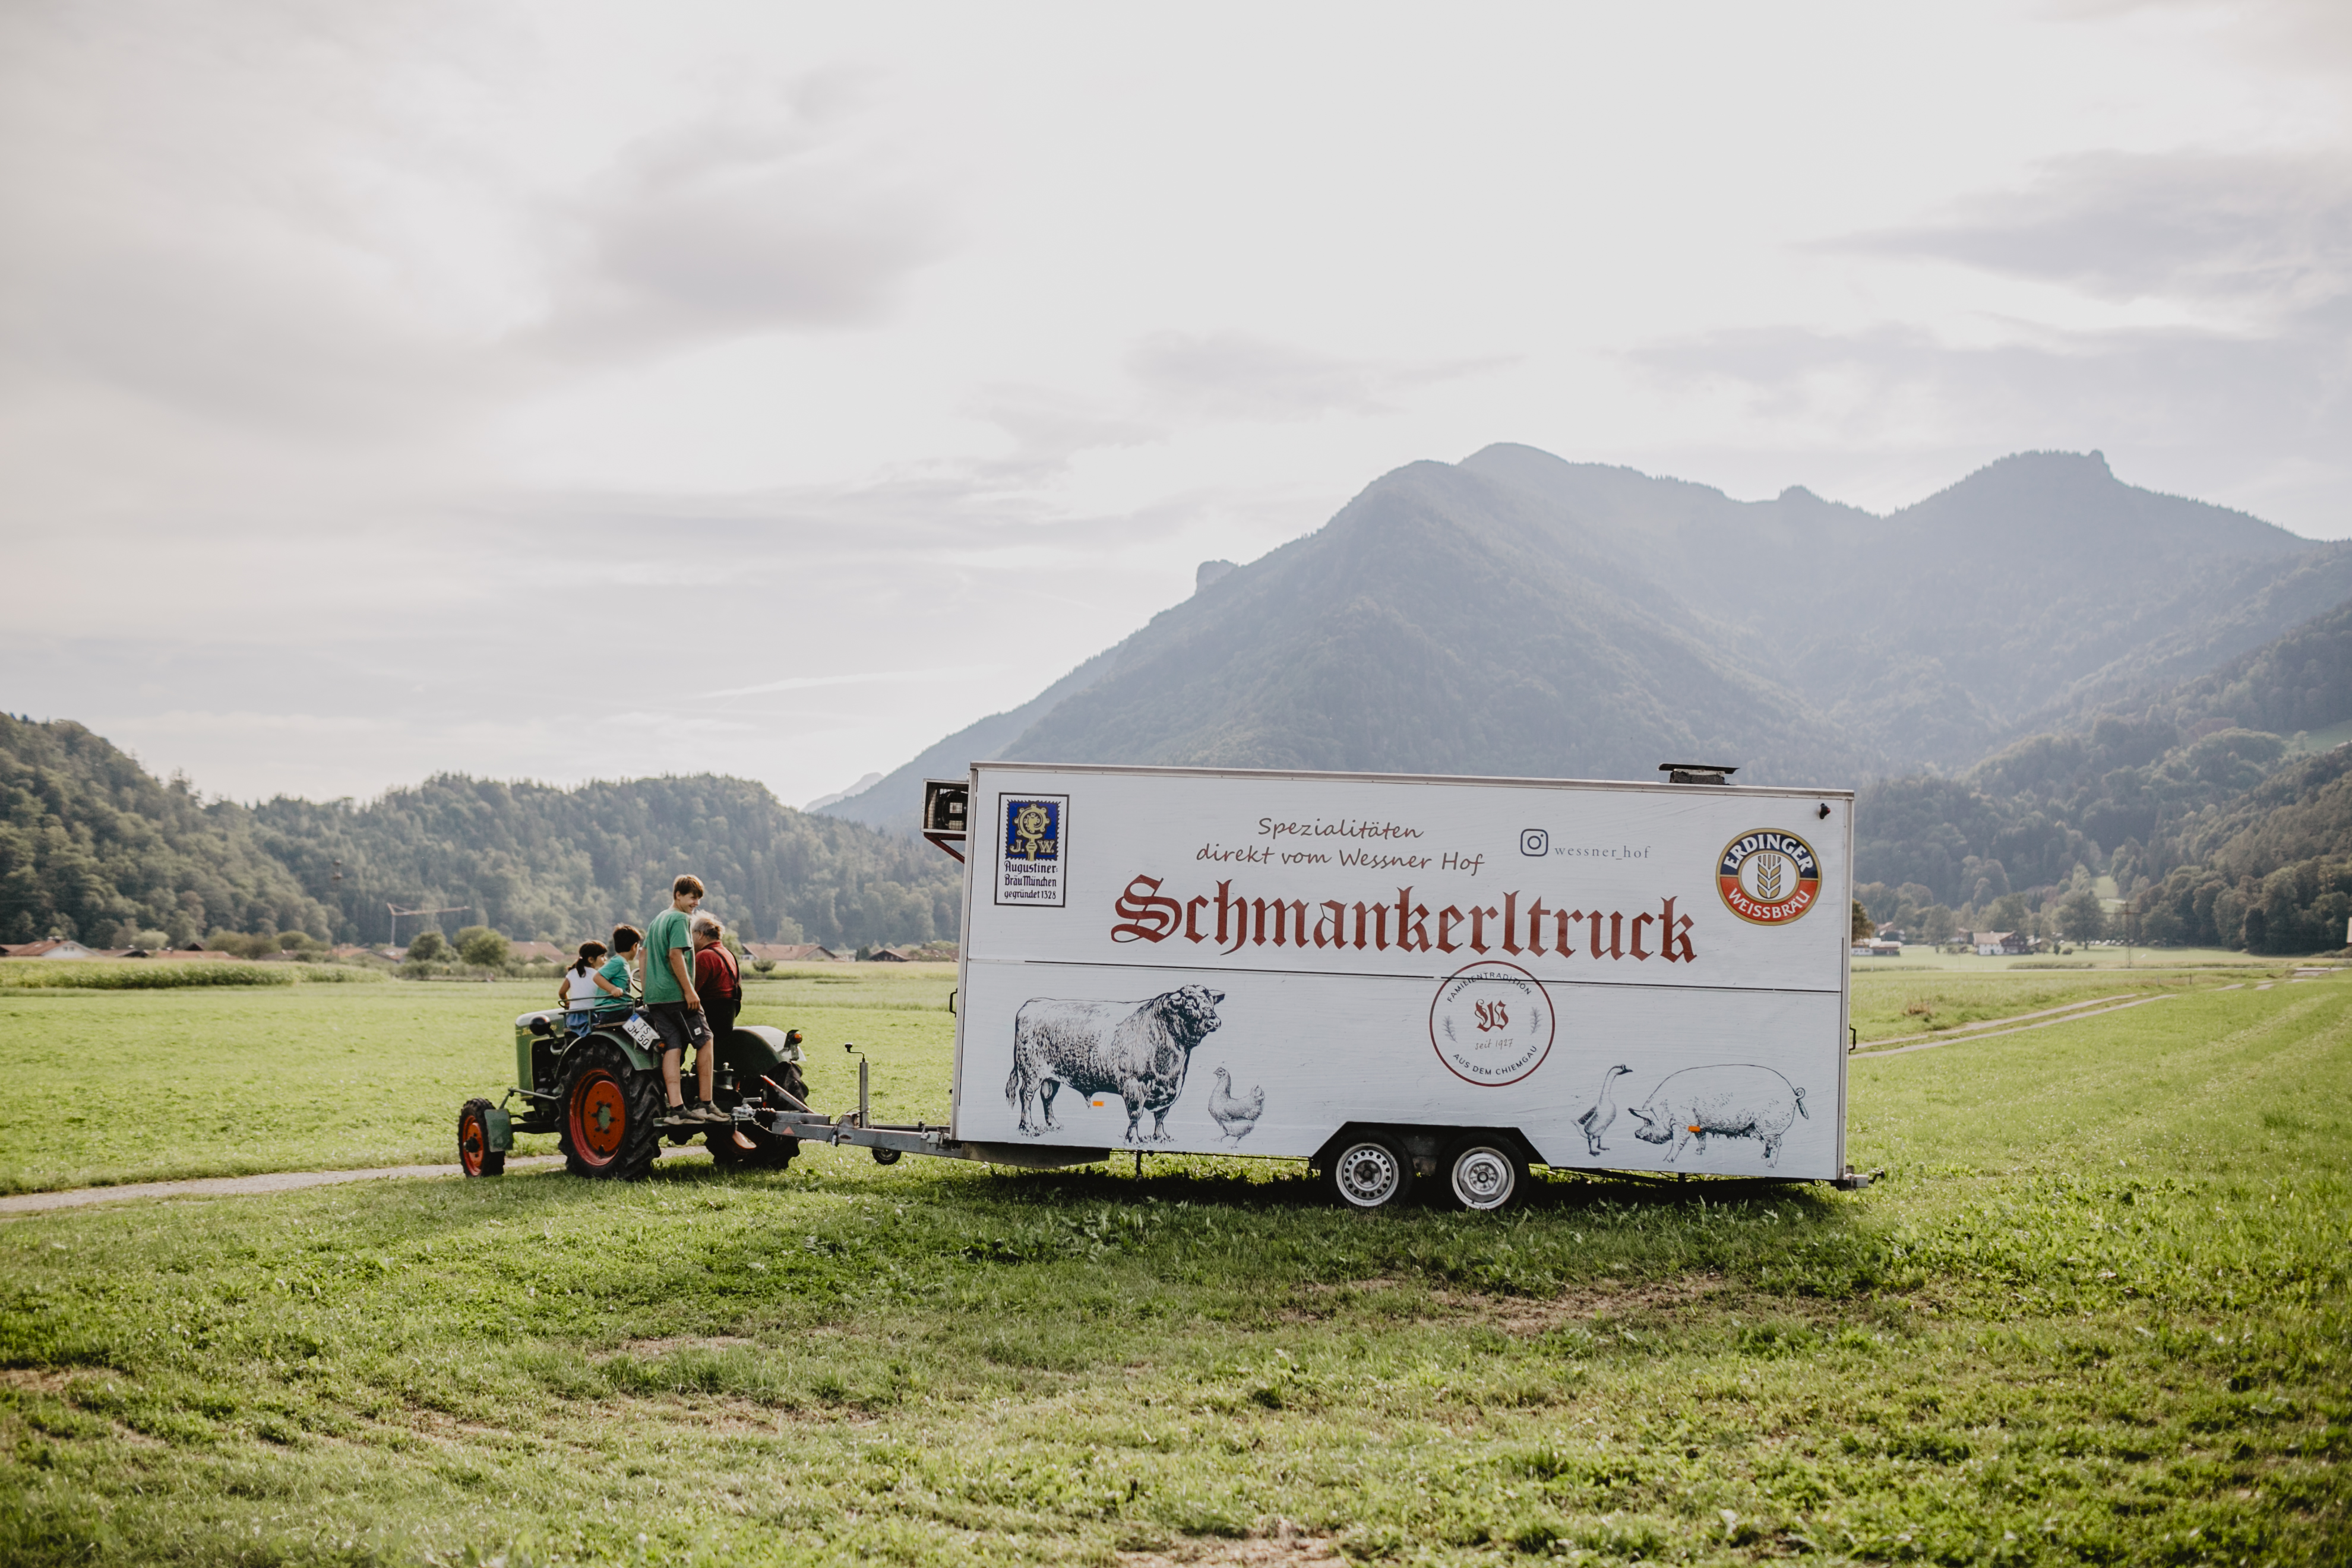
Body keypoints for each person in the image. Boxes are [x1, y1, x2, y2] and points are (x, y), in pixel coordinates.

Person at [640, 876, 721, 1126]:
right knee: (705, 1040)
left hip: (656, 998)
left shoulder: (657, 920)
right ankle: (706, 1104)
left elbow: (643, 955)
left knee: (673, 1047)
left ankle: (677, 1109)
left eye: (698, 899)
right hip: (675, 995)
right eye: (692, 898)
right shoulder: (680, 919)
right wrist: (689, 991)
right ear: (678, 895)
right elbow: (675, 955)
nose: (696, 903)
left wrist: (647, 991)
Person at [691, 912, 742, 1047]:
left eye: (692, 934)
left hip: (710, 1015)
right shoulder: (728, 954)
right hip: (727, 1016)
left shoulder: (704, 956)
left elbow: (691, 990)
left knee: (671, 1033)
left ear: (700, 934)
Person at [557, 940, 623, 1033]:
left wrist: (568, 1004)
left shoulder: (572, 972)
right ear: (591, 959)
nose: (605, 959)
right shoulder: (598, 977)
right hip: (591, 1016)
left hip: (573, 1018)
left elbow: (562, 992)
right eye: (602, 956)